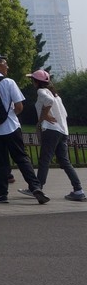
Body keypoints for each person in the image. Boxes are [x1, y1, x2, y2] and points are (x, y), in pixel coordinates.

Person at [0, 53, 48, 204]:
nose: (7, 66)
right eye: (4, 63)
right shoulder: (8, 82)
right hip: (10, 127)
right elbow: (19, 106)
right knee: (21, 158)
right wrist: (9, 115)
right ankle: (35, 187)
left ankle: (1, 194)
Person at [30, 69, 84, 201]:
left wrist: (44, 115)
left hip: (51, 130)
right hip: (62, 131)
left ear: (36, 82)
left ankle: (38, 187)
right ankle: (78, 190)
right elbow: (65, 114)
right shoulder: (56, 96)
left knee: (44, 160)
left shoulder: (41, 91)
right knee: (64, 161)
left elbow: (48, 101)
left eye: (32, 80)